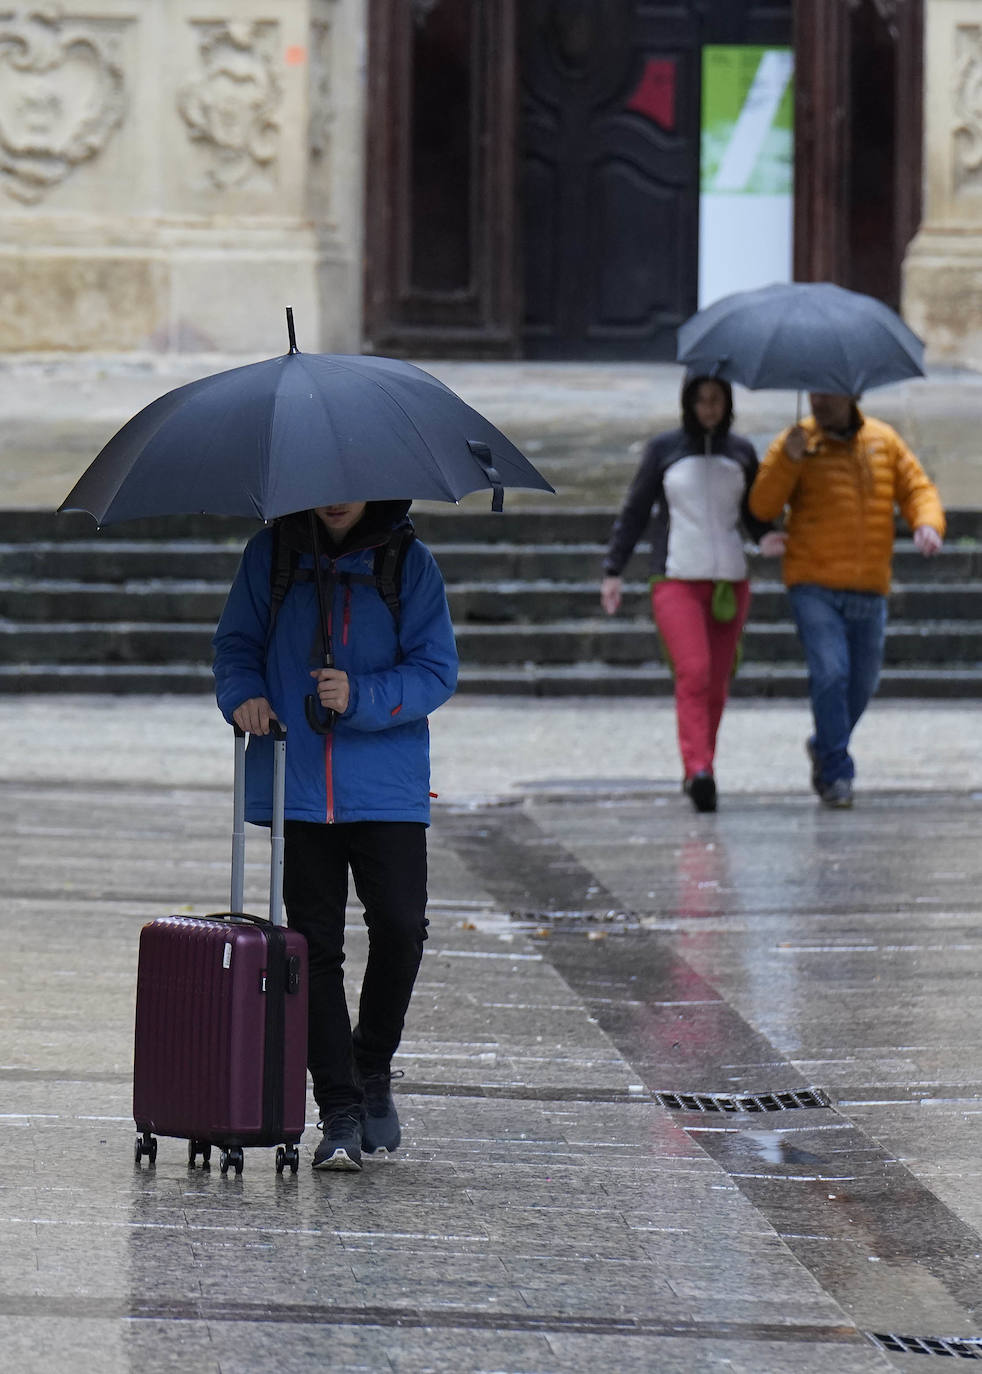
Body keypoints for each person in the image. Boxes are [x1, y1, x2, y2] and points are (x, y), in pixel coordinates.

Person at [213, 499, 458, 1171]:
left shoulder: (408, 563)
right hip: (297, 782)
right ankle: (340, 1107)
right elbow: (235, 647)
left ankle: (371, 1064)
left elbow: (438, 670)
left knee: (402, 927)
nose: (338, 496)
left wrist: (361, 696)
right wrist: (243, 695)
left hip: (388, 789)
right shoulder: (272, 555)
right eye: (324, 482)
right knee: (311, 950)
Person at [749, 392, 945, 808]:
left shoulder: (883, 440)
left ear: (851, 393)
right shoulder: (796, 441)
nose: (819, 400)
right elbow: (761, 505)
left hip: (870, 586)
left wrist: (927, 523)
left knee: (862, 683)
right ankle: (837, 772)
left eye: (829, 391)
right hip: (813, 583)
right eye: (814, 391)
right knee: (831, 674)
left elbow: (917, 489)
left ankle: (823, 745)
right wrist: (790, 460)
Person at [601, 373, 783, 812]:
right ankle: (699, 768)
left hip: (730, 582)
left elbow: (754, 513)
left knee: (718, 683)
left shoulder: (741, 452)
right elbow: (636, 510)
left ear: (727, 404)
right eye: (701, 400)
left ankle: (701, 767)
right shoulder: (664, 450)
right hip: (676, 579)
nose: (709, 409)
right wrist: (613, 569)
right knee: (695, 672)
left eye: (716, 400)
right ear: (688, 403)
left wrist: (768, 536)